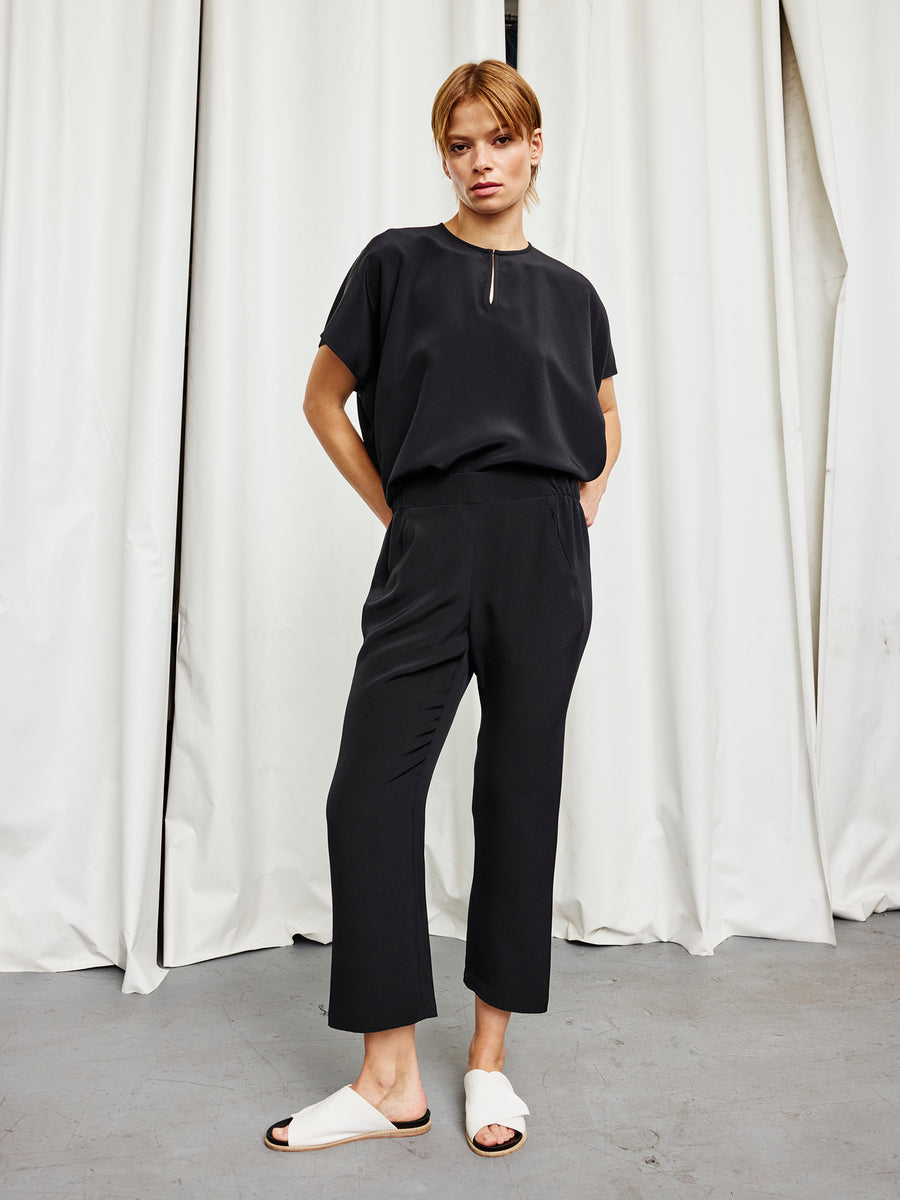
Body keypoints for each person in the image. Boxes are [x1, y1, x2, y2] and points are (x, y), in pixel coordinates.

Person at [265, 58, 620, 1158]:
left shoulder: (574, 293)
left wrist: (571, 522)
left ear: (535, 147)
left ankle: (488, 1066)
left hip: (542, 556)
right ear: (445, 154)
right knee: (367, 792)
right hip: (429, 540)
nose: (480, 162)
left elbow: (606, 419)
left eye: (499, 141)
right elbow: (325, 398)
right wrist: (401, 510)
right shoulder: (396, 264)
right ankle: (386, 1080)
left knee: (517, 796)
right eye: (460, 144)